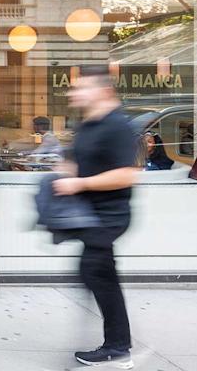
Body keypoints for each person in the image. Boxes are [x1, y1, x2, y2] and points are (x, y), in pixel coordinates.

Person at [53, 67, 139, 369]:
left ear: (104, 91)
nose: (74, 93)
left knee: (96, 272)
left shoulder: (118, 126)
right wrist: (66, 172)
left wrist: (80, 184)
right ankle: (117, 344)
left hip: (109, 215)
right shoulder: (88, 124)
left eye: (82, 88)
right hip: (90, 214)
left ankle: (117, 349)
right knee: (97, 273)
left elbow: (127, 175)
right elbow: (76, 160)